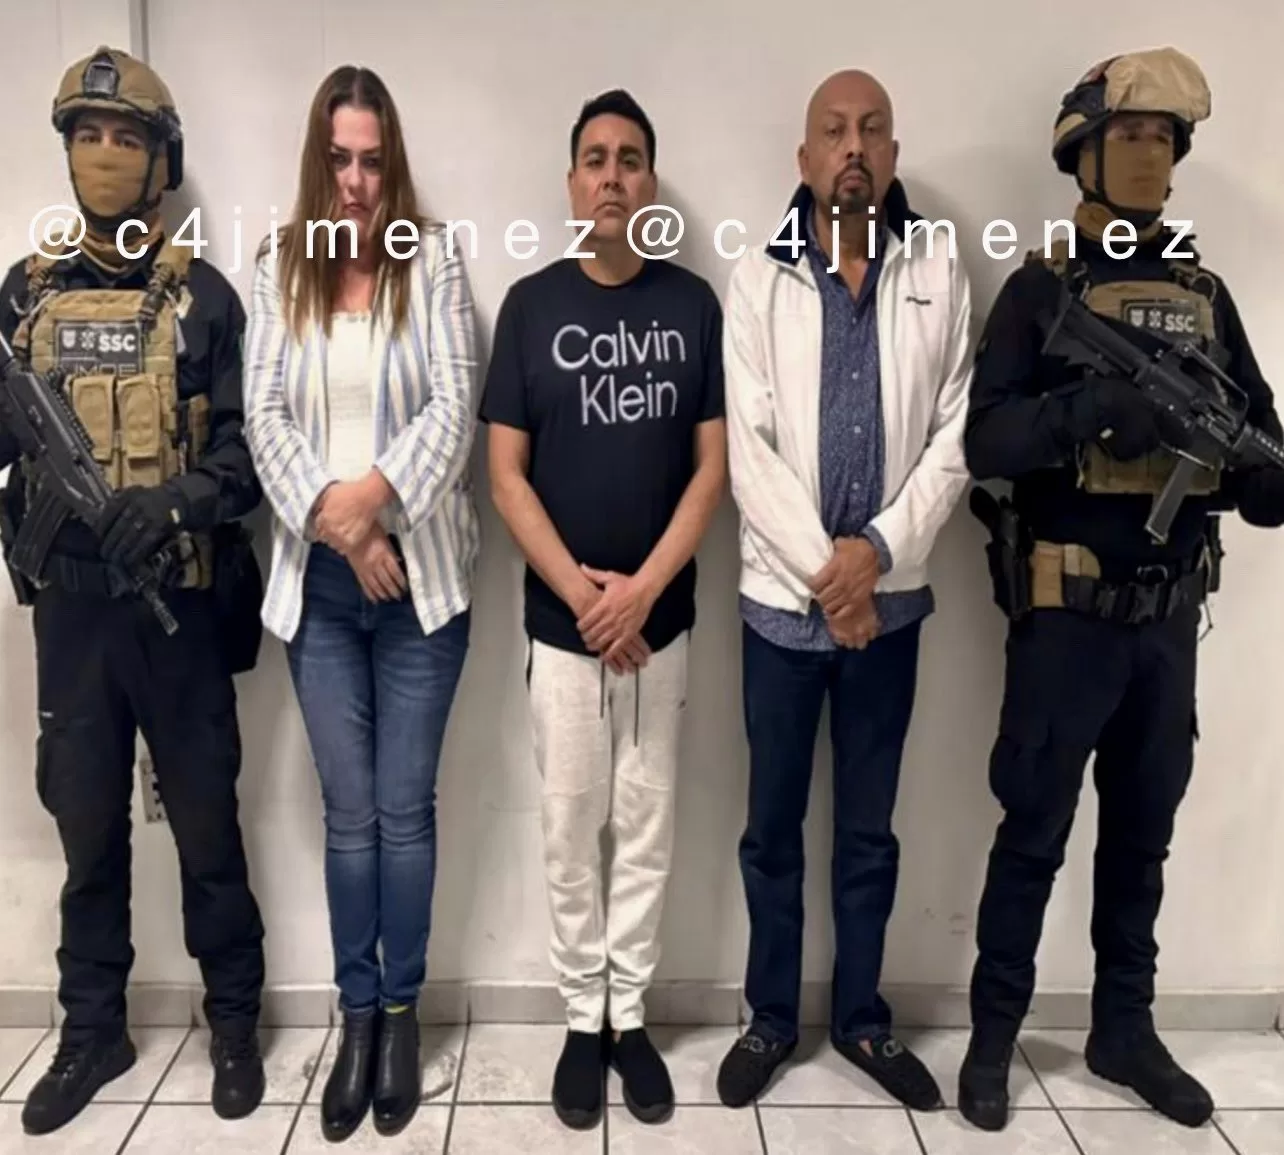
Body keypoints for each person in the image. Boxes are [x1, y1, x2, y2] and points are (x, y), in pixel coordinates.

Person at [959, 46, 1284, 1132]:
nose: (1150, 153)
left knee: (1142, 839)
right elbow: (985, 441)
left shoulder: (1204, 297)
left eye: (1164, 138)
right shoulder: (1042, 292)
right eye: (1131, 134)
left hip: (1168, 625)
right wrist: (1087, 412)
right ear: (1085, 153)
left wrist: (1262, 481)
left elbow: (1257, 432)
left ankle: (1124, 1029)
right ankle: (994, 1034)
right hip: (1066, 620)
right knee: (1032, 834)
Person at [0, 47, 268, 1134]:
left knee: (207, 827)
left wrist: (171, 505)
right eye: (87, 135)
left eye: (126, 138)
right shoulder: (24, 296)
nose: (104, 154)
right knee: (86, 834)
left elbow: (249, 459)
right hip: (71, 618)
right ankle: (92, 1029)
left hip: (177, 608)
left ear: (164, 161)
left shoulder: (205, 301)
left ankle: (236, 1020)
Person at [715, 69, 973, 1111]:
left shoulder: (939, 267)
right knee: (771, 832)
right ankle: (772, 1018)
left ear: (893, 155)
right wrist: (834, 579)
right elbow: (750, 457)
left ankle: (863, 1019)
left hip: (891, 609)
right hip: (783, 615)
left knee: (869, 833)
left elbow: (954, 437)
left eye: (871, 130)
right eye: (834, 131)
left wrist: (877, 553)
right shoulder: (756, 278)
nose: (853, 148)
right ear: (806, 157)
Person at [242, 65, 479, 1142]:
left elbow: (454, 405)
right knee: (349, 817)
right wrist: (341, 527)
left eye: (371, 161)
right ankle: (355, 1015)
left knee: (404, 810)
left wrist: (373, 503)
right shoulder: (277, 265)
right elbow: (263, 416)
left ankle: (401, 1013)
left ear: (393, 164)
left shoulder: (435, 259)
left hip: (419, 581)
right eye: (337, 159)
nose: (354, 181)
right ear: (316, 160)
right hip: (324, 588)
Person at [480, 88, 726, 1130]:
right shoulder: (531, 308)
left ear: (650, 182)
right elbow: (505, 477)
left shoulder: (692, 305)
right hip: (566, 630)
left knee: (649, 828)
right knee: (571, 827)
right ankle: (583, 1020)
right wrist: (587, 597)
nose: (612, 175)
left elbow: (712, 471)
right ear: (572, 181)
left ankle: (632, 1019)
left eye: (630, 158)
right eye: (595, 158)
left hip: (661, 624)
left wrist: (644, 592)